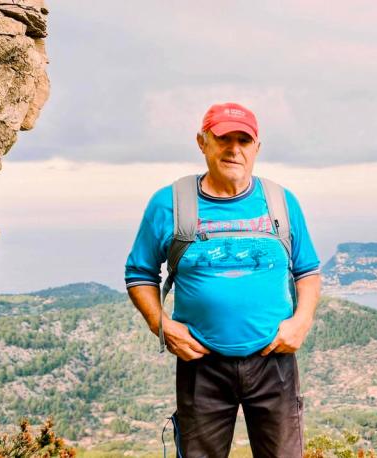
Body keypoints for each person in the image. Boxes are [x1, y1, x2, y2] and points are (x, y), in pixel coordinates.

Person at [124, 102, 321, 457]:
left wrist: (301, 322)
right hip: (202, 365)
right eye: (223, 138)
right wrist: (162, 325)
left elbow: (307, 270)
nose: (234, 149)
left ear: (256, 148)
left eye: (243, 140)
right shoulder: (169, 203)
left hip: (273, 360)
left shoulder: (280, 201)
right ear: (202, 142)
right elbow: (139, 273)